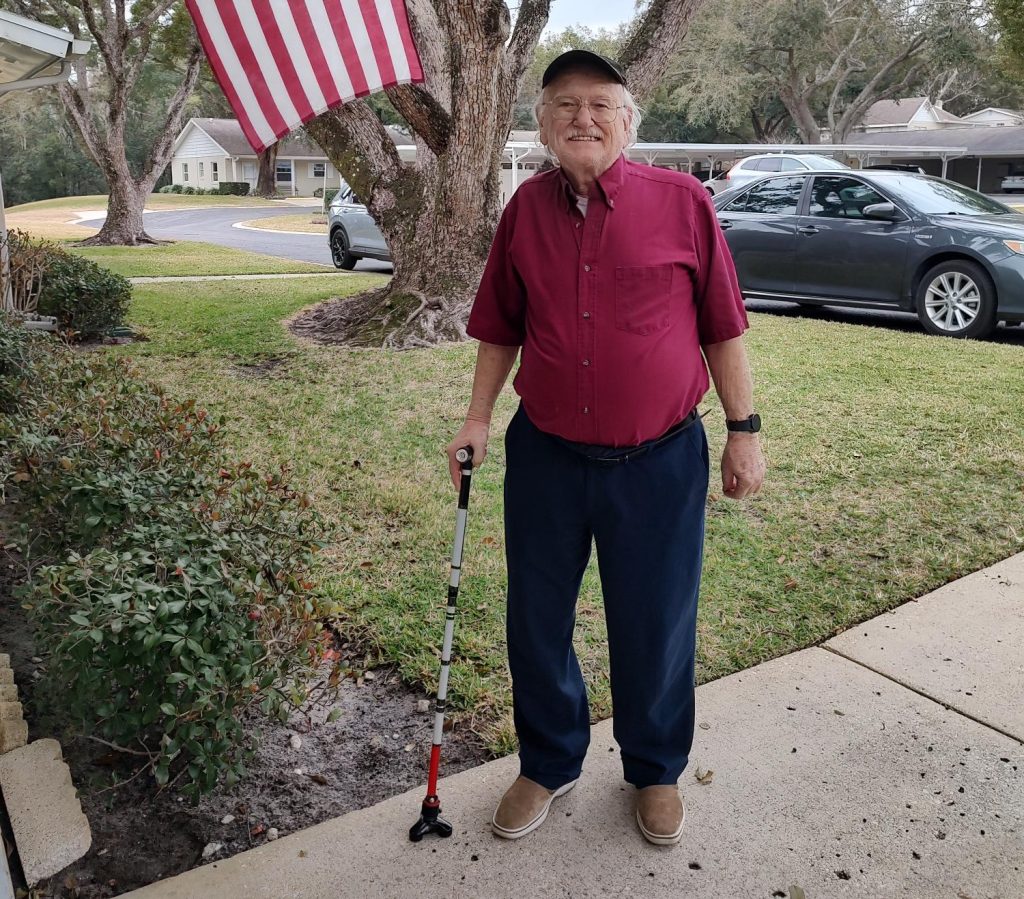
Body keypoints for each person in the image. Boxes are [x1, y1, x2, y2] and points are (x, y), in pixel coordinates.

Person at [446, 49, 766, 846]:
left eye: (599, 104)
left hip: (659, 460)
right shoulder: (523, 210)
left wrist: (743, 431)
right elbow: (498, 327)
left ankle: (655, 769)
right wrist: (478, 418)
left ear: (627, 119)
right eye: (564, 105)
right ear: (543, 123)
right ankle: (548, 760)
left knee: (655, 621)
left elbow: (723, 325)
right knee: (537, 618)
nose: (581, 119)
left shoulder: (684, 201)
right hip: (548, 457)